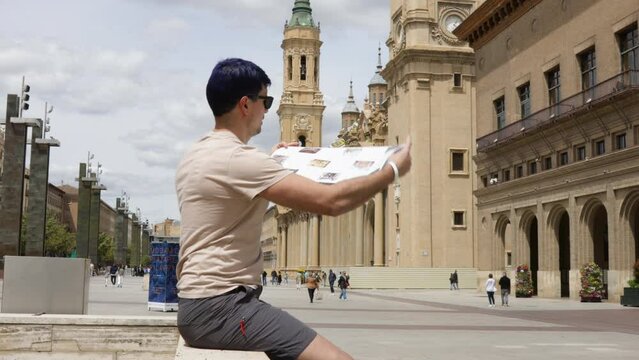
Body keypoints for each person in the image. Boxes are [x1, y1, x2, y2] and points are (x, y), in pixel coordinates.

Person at [175, 58, 411, 360]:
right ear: (245, 105)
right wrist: (392, 169)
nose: (268, 109)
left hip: (196, 304)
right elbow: (332, 202)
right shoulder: (242, 160)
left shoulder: (196, 154)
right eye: (266, 100)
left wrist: (273, 159)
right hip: (223, 308)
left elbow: (230, 190)